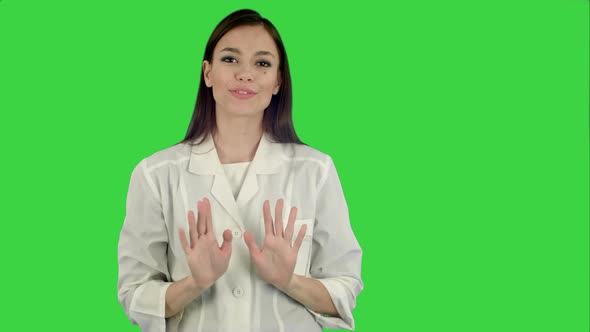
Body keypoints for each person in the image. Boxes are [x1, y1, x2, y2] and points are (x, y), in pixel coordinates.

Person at [117, 9, 363, 332]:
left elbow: (346, 289)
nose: (246, 74)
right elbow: (134, 293)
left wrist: (288, 280)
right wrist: (195, 283)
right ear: (207, 73)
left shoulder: (315, 171)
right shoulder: (154, 175)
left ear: (277, 81)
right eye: (230, 59)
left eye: (262, 63)